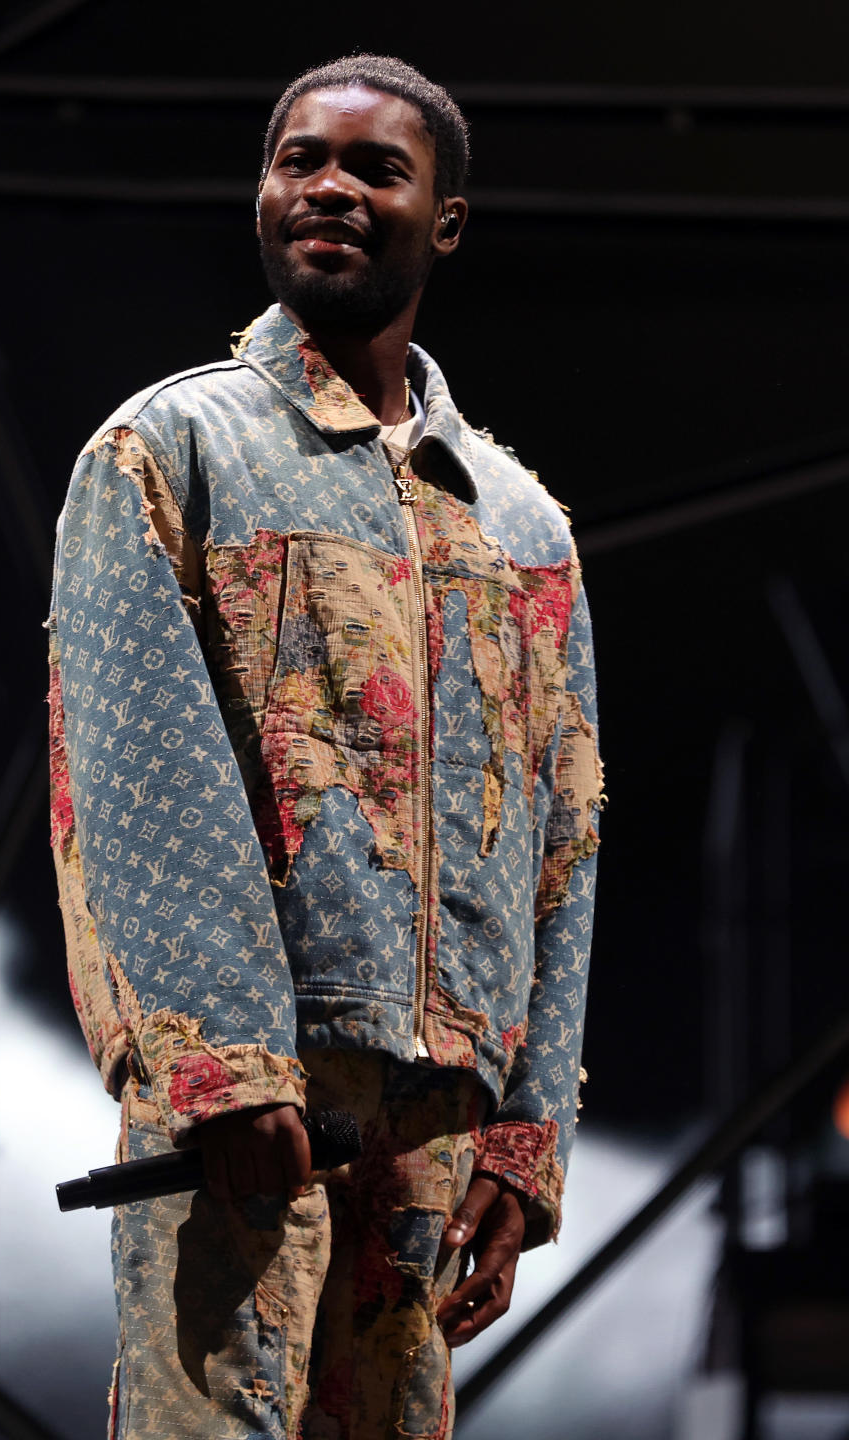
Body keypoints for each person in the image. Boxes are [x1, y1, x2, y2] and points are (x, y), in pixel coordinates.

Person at [48, 53, 603, 1440]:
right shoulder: (168, 448)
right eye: (301, 160)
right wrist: (218, 1067)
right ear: (262, 192)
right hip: (253, 1104)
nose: (331, 189)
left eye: (373, 168)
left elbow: (563, 831)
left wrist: (527, 1140)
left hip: (434, 1121)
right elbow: (134, 773)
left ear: (446, 221)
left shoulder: (521, 524)